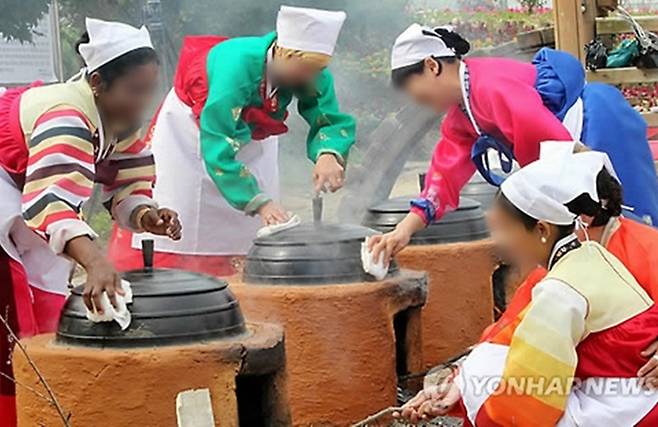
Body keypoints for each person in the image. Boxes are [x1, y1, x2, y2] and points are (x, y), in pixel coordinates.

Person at [0, 18, 181, 426]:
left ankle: (45, 404)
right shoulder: (67, 116)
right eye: (134, 91)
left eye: (149, 91)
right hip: (9, 185)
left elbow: (128, 182)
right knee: (9, 306)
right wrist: (95, 261)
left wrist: (146, 215)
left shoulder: (123, 118)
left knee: (46, 302)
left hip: (29, 188)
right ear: (97, 83)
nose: (142, 103)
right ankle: (13, 413)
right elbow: (50, 200)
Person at [396, 151, 658, 426]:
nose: (501, 243)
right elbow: (507, 337)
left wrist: (480, 398)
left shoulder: (570, 282)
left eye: (507, 230)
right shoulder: (584, 256)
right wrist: (457, 383)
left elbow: (525, 406)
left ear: (545, 227)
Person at [369, 23, 658, 264]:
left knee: (630, 224)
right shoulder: (462, 113)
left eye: (414, 92)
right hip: (566, 149)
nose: (417, 103)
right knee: (598, 239)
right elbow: (442, 178)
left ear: (432, 66)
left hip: (599, 125)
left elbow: (548, 144)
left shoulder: (490, 86)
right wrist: (403, 231)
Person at [107, 5, 356, 276]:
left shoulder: (311, 68)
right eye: (305, 69)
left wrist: (327, 154)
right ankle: (177, 279)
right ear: (284, 53)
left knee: (257, 227)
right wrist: (259, 202)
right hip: (193, 135)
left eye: (317, 70)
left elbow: (327, 116)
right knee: (186, 214)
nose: (311, 78)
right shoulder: (235, 70)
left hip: (251, 135)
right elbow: (217, 143)